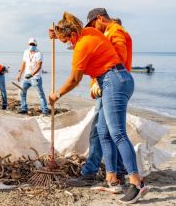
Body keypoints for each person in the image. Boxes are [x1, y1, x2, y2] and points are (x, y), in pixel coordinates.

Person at [49, 12, 148, 204]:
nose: (66, 45)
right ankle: (113, 179)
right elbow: (73, 34)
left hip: (113, 80)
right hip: (112, 79)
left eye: (65, 41)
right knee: (103, 131)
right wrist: (56, 32)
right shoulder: (88, 32)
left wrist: (57, 94)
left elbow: (74, 80)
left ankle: (137, 183)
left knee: (117, 133)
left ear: (72, 35)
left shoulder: (82, 45)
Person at [16, 38, 50, 115]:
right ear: (28, 44)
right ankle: (23, 108)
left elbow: (39, 66)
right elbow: (23, 64)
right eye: (31, 44)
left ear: (36, 45)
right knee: (22, 92)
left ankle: (45, 110)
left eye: (33, 44)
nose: (32, 46)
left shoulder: (39, 53)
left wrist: (31, 74)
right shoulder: (26, 52)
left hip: (35, 78)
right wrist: (20, 74)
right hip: (26, 78)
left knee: (41, 94)